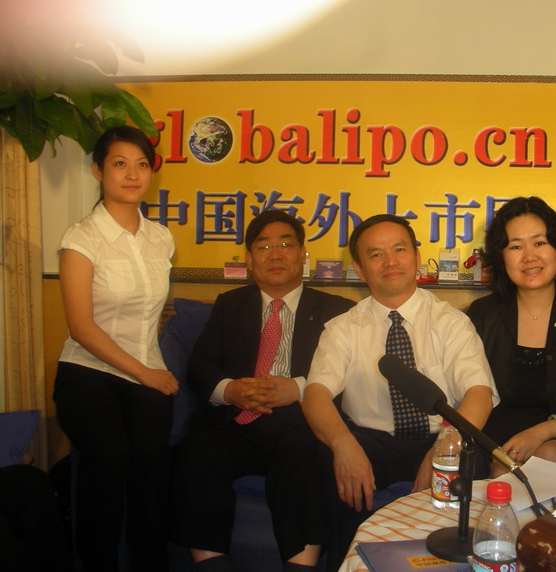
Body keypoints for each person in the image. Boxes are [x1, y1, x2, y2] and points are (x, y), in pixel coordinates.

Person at [302, 214, 498, 571]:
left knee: (471, 460)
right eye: (375, 254)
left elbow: (478, 393)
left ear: (417, 258)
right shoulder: (343, 328)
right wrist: (343, 444)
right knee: (326, 458)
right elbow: (315, 393)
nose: (390, 261)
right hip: (372, 441)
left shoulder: (451, 322)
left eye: (399, 249)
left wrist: (445, 448)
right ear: (360, 269)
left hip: (443, 437)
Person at [171, 210, 354, 572]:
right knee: (198, 449)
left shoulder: (338, 310)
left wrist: (298, 389)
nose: (276, 254)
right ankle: (211, 565)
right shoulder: (230, 305)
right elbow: (200, 366)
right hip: (235, 423)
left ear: (302, 253)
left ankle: (300, 567)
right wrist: (231, 390)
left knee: (304, 450)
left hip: (299, 424)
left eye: (286, 244)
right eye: (264, 246)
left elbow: (353, 375)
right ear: (249, 259)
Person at [53, 126, 176, 572]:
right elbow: (82, 327)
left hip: (146, 372)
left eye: (142, 164)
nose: (132, 174)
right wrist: (145, 374)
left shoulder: (161, 238)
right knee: (109, 460)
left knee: (153, 471)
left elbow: (152, 310)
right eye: (120, 164)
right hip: (88, 372)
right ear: (98, 171)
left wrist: (149, 370)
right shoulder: (81, 239)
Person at [467, 197, 556, 471]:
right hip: (492, 441)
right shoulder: (482, 315)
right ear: (501, 256)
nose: (529, 257)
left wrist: (541, 432)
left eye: (539, 243)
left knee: (549, 458)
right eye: (515, 246)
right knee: (499, 469)